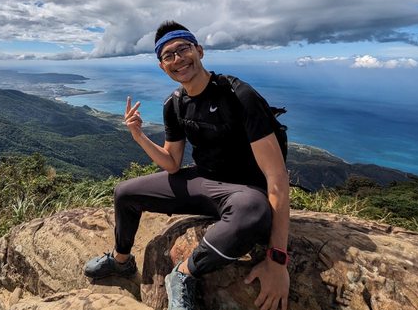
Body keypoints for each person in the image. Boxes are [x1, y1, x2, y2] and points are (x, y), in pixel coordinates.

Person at [84, 21, 290, 310]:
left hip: (244, 190)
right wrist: (139, 135)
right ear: (162, 66)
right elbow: (171, 163)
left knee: (253, 212)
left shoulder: (239, 96)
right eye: (168, 55)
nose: (178, 59)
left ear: (199, 51)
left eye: (183, 49)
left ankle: (183, 274)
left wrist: (277, 260)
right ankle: (121, 261)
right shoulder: (175, 104)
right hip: (202, 181)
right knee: (124, 193)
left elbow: (276, 176)